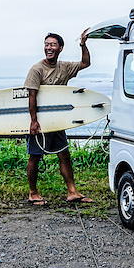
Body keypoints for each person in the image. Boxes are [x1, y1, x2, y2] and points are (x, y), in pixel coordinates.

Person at [24, 30, 92, 206]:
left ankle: (72, 191)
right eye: (46, 44)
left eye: (53, 44)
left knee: (64, 155)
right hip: (39, 120)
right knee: (35, 156)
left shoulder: (65, 67)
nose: (49, 47)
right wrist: (33, 120)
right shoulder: (37, 69)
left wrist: (83, 44)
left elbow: (85, 63)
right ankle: (33, 193)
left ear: (60, 48)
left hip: (57, 120)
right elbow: (32, 96)